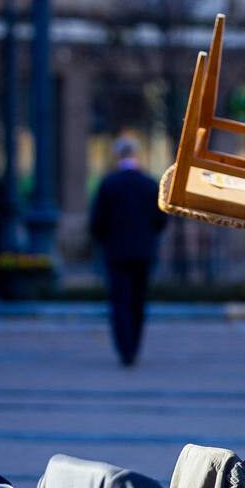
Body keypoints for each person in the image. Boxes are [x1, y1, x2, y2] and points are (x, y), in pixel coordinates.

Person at [90, 137, 167, 367]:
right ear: (136, 155)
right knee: (138, 300)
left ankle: (124, 349)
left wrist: (105, 240)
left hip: (116, 252)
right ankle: (134, 346)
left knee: (119, 301)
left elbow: (97, 222)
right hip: (143, 252)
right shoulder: (149, 184)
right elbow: (160, 219)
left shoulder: (108, 184)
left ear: (118, 156)